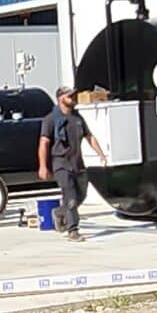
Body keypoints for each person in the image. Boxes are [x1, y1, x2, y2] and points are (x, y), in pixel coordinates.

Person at [38, 84, 106, 239]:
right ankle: (72, 230)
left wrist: (101, 154)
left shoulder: (77, 118)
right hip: (61, 163)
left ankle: (59, 212)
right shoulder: (50, 120)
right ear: (61, 98)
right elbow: (44, 143)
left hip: (78, 163)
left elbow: (89, 136)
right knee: (70, 196)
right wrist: (43, 166)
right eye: (70, 96)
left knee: (80, 196)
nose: (74, 99)